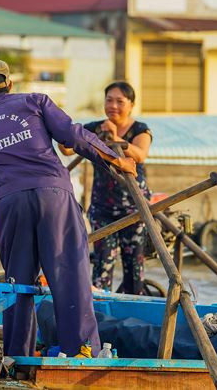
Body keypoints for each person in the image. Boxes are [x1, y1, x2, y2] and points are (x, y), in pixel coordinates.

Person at [0, 59, 137, 357]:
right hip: (53, 195)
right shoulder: (35, 101)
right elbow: (74, 135)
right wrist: (116, 159)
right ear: (10, 85)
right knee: (68, 272)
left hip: (11, 203)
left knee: (17, 282)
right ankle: (82, 350)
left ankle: (18, 356)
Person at [61, 82, 152, 295]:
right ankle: (101, 314)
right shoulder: (95, 128)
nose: (113, 106)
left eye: (120, 101)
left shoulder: (140, 129)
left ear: (131, 105)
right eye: (109, 100)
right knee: (102, 264)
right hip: (102, 208)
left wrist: (115, 138)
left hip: (134, 209)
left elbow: (140, 154)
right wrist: (65, 132)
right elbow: (65, 149)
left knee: (134, 266)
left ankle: (134, 311)